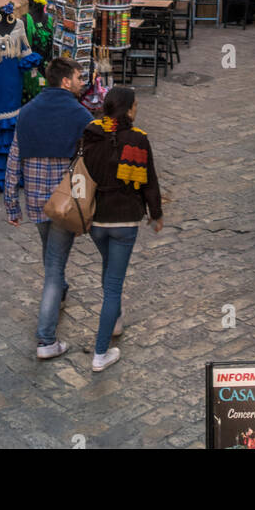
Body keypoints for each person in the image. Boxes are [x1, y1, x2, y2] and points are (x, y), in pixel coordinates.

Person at [3, 55, 90, 360]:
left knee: (51, 256)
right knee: (53, 267)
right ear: (65, 81)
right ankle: (46, 340)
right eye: (80, 78)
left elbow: (14, 160)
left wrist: (11, 205)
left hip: (36, 203)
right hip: (64, 205)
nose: (83, 83)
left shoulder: (27, 113)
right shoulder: (80, 116)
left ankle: (61, 290)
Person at [79, 86, 163, 372]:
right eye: (135, 105)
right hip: (125, 221)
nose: (137, 109)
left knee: (109, 270)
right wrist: (156, 214)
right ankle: (101, 353)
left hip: (96, 221)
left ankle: (114, 321)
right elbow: (149, 181)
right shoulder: (138, 140)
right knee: (113, 287)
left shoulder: (91, 133)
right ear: (127, 110)